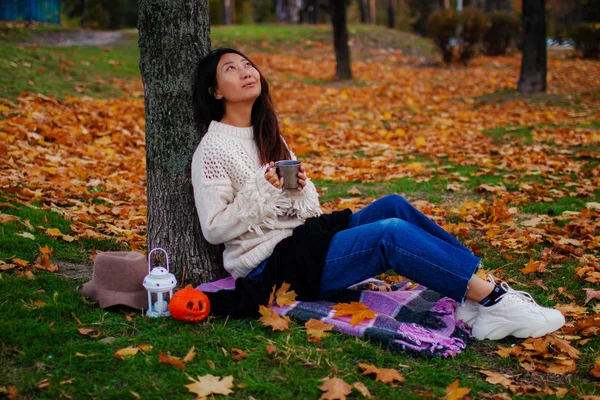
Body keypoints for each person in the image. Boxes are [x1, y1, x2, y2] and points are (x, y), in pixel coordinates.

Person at [191, 48, 565, 341]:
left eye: (247, 64)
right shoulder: (212, 149)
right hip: (273, 267)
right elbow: (213, 230)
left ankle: (473, 296)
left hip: (303, 242)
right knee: (389, 233)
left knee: (393, 205)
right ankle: (495, 300)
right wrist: (260, 189)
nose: (245, 71)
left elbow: (306, 212)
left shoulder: (269, 135)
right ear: (215, 91)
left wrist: (300, 189)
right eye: (231, 69)